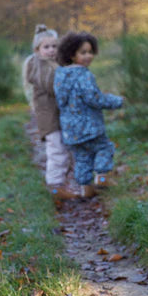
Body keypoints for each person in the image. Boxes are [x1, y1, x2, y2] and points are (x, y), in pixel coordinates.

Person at [54, 31, 123, 198]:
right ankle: (101, 177)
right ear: (71, 54)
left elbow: (61, 100)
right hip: (89, 127)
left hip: (71, 130)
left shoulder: (60, 75)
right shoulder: (84, 74)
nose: (88, 56)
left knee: (82, 158)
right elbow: (94, 98)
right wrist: (117, 101)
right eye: (83, 52)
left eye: (91, 52)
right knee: (104, 148)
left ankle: (86, 188)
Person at [23, 24, 75, 200]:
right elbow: (54, 87)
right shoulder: (38, 67)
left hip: (57, 116)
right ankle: (54, 186)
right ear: (37, 50)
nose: (51, 50)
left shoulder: (52, 64)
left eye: (54, 46)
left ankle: (59, 184)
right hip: (49, 118)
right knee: (56, 151)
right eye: (46, 47)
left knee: (63, 150)